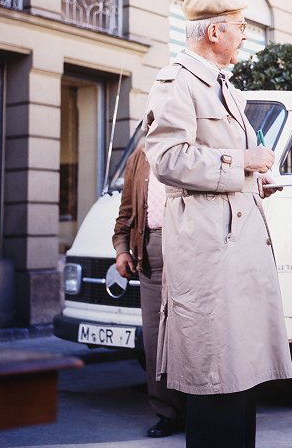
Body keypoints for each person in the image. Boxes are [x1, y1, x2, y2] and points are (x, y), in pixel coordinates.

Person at [143, 0, 292, 448]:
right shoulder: (177, 81)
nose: (245, 36)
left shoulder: (225, 86)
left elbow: (220, 167)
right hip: (210, 253)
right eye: (240, 27)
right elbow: (168, 158)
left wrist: (255, 179)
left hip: (233, 250)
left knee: (239, 379)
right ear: (214, 31)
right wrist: (243, 161)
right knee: (215, 377)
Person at [112, 144, 185, 438]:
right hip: (151, 250)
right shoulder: (139, 157)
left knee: (194, 335)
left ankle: (204, 410)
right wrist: (121, 250)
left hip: (192, 247)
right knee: (156, 340)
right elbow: (126, 211)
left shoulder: (192, 147)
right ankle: (168, 413)